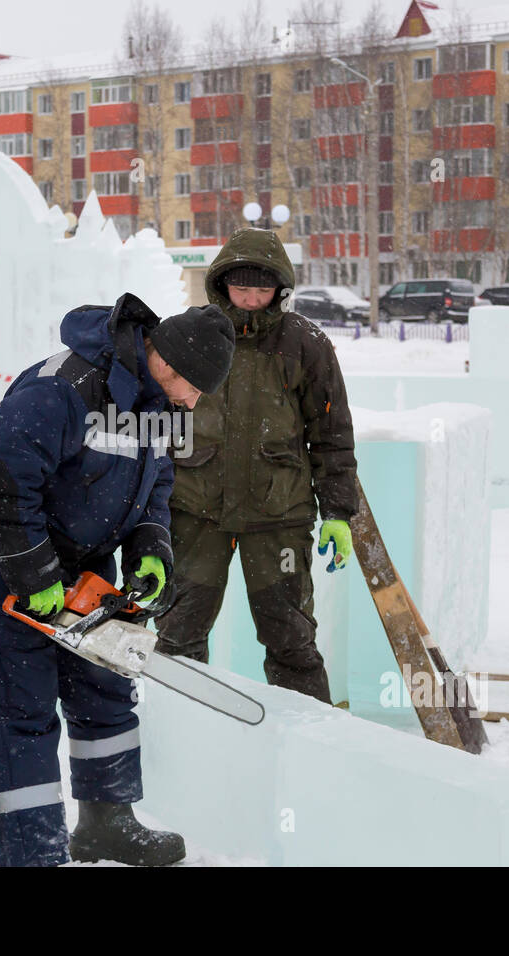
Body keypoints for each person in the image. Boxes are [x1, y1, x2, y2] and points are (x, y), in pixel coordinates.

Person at [0, 292, 235, 867]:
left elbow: (155, 483)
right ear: (168, 364)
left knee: (105, 694)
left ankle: (108, 822)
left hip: (85, 570)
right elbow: (2, 478)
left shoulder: (158, 403)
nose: (196, 402)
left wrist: (151, 548)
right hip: (4, 568)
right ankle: (33, 851)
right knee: (22, 712)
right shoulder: (60, 388)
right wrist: (34, 572)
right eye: (196, 388)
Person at [154, 228, 359, 704]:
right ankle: (179, 736)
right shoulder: (190, 333)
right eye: (239, 287)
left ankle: (309, 742)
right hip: (194, 511)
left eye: (261, 289)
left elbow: (332, 436)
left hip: (278, 518)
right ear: (220, 283)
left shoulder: (306, 344)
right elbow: (154, 420)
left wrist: (338, 513)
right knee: (177, 635)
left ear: (280, 289)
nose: (249, 299)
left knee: (290, 637)